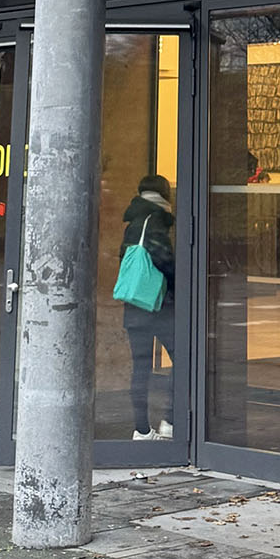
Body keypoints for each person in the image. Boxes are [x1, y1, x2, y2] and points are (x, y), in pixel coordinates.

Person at [119, 173, 175, 441]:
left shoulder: (133, 221)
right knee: (183, 360)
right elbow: (163, 260)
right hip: (159, 307)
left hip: (135, 307)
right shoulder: (155, 220)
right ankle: (170, 421)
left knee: (140, 367)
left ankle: (141, 429)